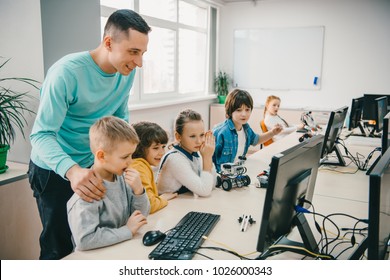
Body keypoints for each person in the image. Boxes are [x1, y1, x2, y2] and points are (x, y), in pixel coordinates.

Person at [28, 9, 151, 259]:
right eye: (133, 52)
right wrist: (73, 171)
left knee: (98, 242)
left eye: (142, 53)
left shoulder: (126, 73)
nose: (139, 62)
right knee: (60, 248)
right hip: (54, 169)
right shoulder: (66, 73)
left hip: (91, 165)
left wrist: (123, 161)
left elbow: (118, 122)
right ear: (108, 43)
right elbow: (41, 135)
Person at [67, 116, 149, 251]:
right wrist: (127, 230)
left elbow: (140, 218)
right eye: (124, 157)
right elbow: (85, 240)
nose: (130, 162)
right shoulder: (88, 191)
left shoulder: (121, 178)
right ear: (101, 156)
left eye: (131, 155)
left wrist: (139, 191)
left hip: (120, 249)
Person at [213, 89, 283, 172]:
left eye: (247, 110)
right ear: (230, 111)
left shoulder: (246, 128)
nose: (244, 114)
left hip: (238, 170)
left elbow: (256, 139)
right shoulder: (221, 132)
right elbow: (210, 159)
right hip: (222, 175)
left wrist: (272, 132)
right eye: (239, 110)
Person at [156, 109, 216, 197]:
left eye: (202, 135)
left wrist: (207, 157)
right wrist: (207, 157)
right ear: (178, 136)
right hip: (168, 208)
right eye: (192, 136)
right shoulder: (175, 159)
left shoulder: (195, 151)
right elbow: (205, 191)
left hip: (182, 203)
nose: (199, 141)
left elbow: (212, 184)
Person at [130, 121, 178, 214]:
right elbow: (149, 205)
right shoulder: (139, 167)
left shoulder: (140, 164)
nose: (162, 153)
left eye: (163, 147)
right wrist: (162, 199)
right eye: (156, 148)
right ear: (139, 148)